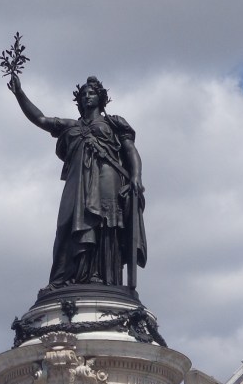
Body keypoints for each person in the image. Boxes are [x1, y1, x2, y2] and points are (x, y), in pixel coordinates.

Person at [8, 71, 147, 290]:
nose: (87, 97)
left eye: (92, 93)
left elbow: (131, 151)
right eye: (83, 94)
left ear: (101, 98)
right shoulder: (71, 125)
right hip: (77, 181)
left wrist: (136, 176)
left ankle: (104, 278)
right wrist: (19, 93)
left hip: (107, 176)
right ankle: (68, 276)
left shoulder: (113, 123)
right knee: (69, 223)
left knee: (105, 224)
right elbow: (41, 119)